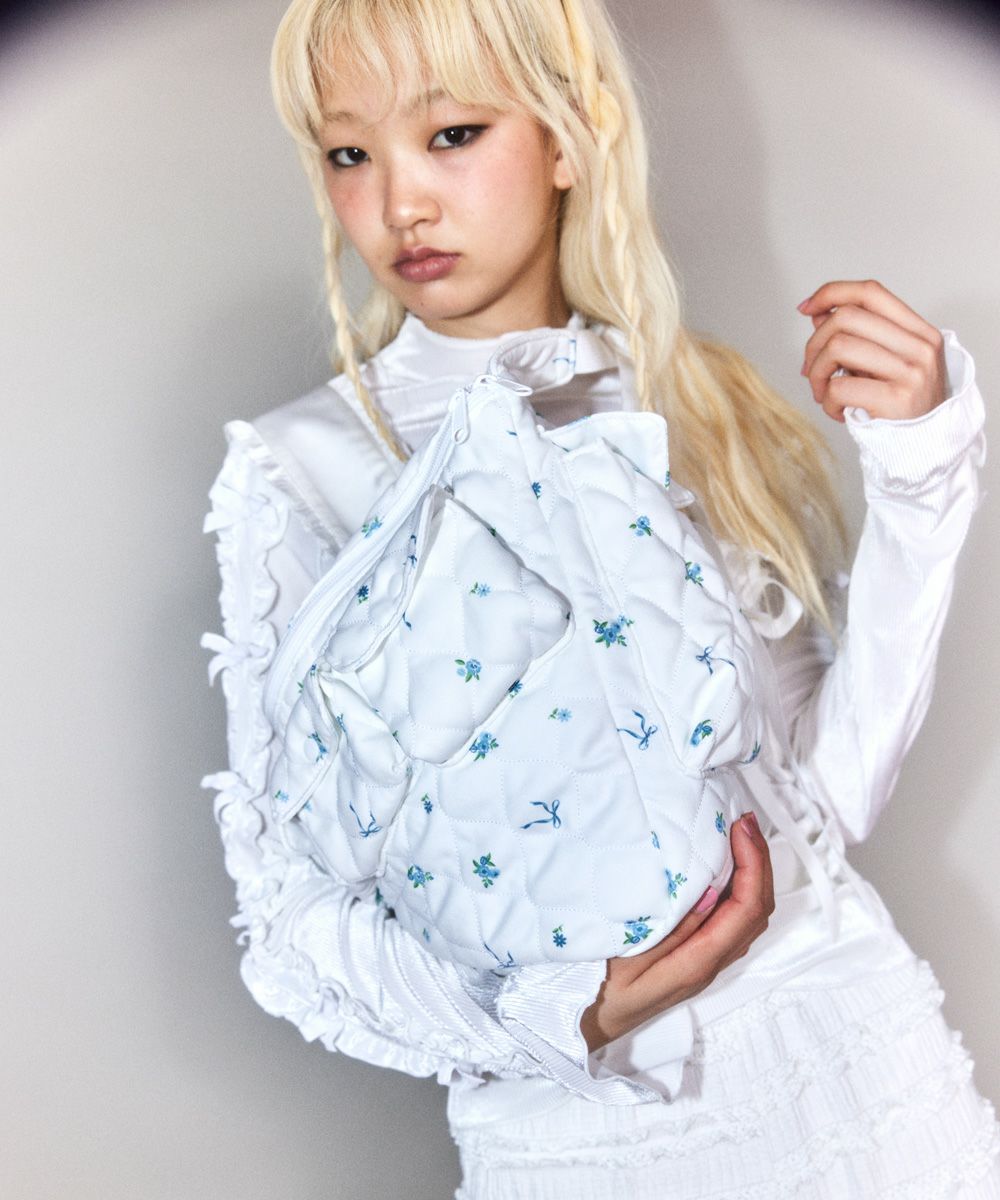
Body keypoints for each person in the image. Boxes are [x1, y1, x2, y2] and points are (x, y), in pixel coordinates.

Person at [201, 0, 1000, 1193]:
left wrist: (921, 479)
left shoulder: (692, 401)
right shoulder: (303, 467)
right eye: (349, 152)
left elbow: (816, 801)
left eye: (452, 134)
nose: (400, 202)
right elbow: (288, 925)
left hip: (860, 1078)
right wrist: (569, 1011)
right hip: (583, 1130)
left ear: (569, 136)